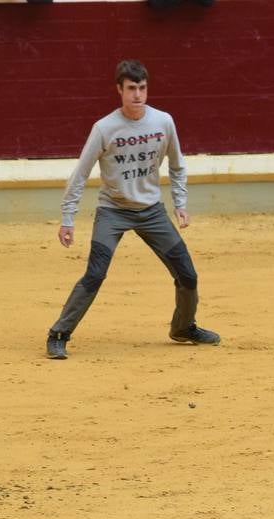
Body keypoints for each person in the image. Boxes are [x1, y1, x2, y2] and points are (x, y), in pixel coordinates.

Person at [46, 59, 219, 360]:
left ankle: (183, 327)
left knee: (188, 275)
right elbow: (80, 174)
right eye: (131, 89)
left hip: (152, 211)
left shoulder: (164, 121)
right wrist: (67, 218)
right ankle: (59, 333)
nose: (138, 95)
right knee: (95, 274)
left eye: (142, 88)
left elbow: (177, 166)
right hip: (113, 210)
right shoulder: (104, 128)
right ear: (119, 90)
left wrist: (180, 204)